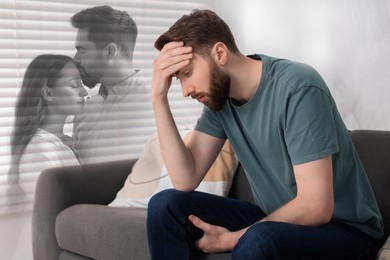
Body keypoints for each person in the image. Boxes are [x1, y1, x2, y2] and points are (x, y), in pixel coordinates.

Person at [147, 9, 384, 259]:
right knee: (166, 206)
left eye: (187, 74)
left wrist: (234, 238)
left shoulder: (298, 88)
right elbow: (185, 180)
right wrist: (158, 98)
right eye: (177, 79)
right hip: (274, 220)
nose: (185, 91)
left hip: (346, 232)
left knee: (257, 239)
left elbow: (316, 207)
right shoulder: (220, 101)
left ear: (219, 53)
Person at [6, 54, 86, 260]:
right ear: (48, 93)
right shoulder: (40, 154)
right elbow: (56, 223)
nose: (84, 92)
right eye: (74, 85)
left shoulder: (59, 145)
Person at [71, 5, 151, 165]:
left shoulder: (156, 104)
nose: (75, 58)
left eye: (82, 50)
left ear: (109, 52)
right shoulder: (84, 110)